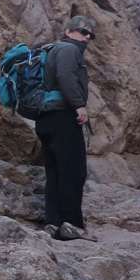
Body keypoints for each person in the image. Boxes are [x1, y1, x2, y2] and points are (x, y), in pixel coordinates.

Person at [36, 16, 94, 241]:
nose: (86, 37)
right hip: (63, 116)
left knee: (55, 172)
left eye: (90, 35)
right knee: (73, 171)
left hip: (45, 117)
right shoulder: (69, 49)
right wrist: (79, 105)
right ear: (68, 31)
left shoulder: (51, 50)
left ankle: (53, 223)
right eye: (82, 31)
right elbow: (65, 76)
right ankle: (72, 224)